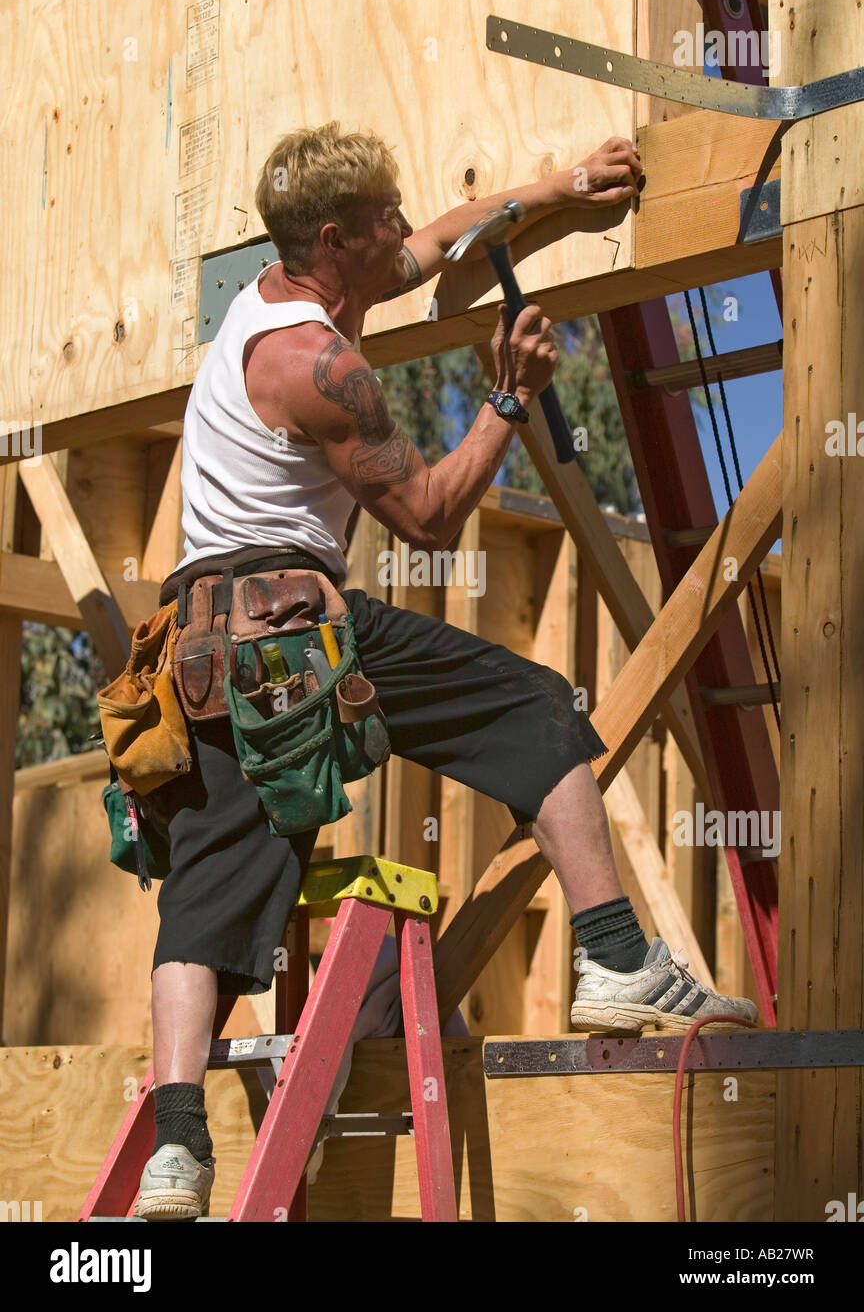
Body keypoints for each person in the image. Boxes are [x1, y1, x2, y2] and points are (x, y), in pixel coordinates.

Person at [134, 122, 756, 1220]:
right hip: (294, 631)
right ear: (335, 239)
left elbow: (438, 244)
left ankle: (176, 1150)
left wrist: (557, 188)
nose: (402, 228)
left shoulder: (278, 302)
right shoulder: (322, 365)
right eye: (383, 217)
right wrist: (507, 398)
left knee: (204, 896)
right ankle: (613, 955)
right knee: (534, 702)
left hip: (202, 655)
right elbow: (428, 518)